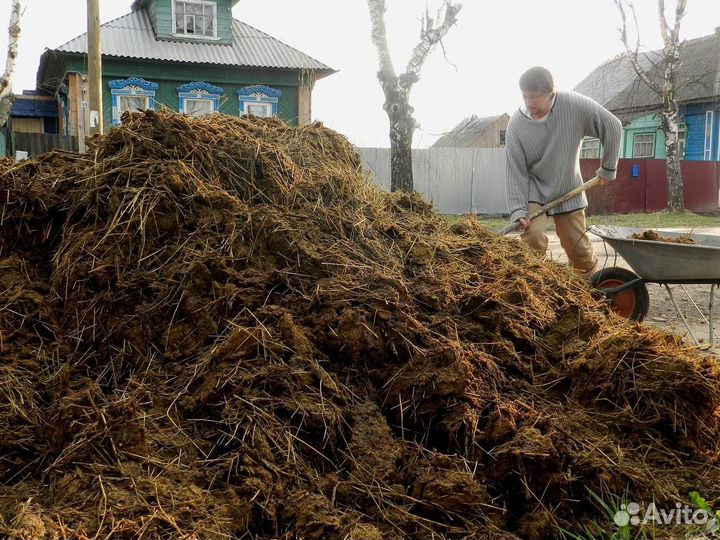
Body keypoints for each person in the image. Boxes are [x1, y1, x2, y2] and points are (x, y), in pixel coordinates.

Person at [505, 66, 622, 279]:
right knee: (533, 238)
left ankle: (583, 292)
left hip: (569, 186)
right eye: (525, 96)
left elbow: (613, 126)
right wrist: (518, 211)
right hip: (534, 190)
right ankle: (531, 290)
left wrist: (608, 168)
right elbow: (515, 172)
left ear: (552, 93)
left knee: (577, 248)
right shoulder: (516, 125)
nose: (530, 104)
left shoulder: (573, 105)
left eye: (535, 97)